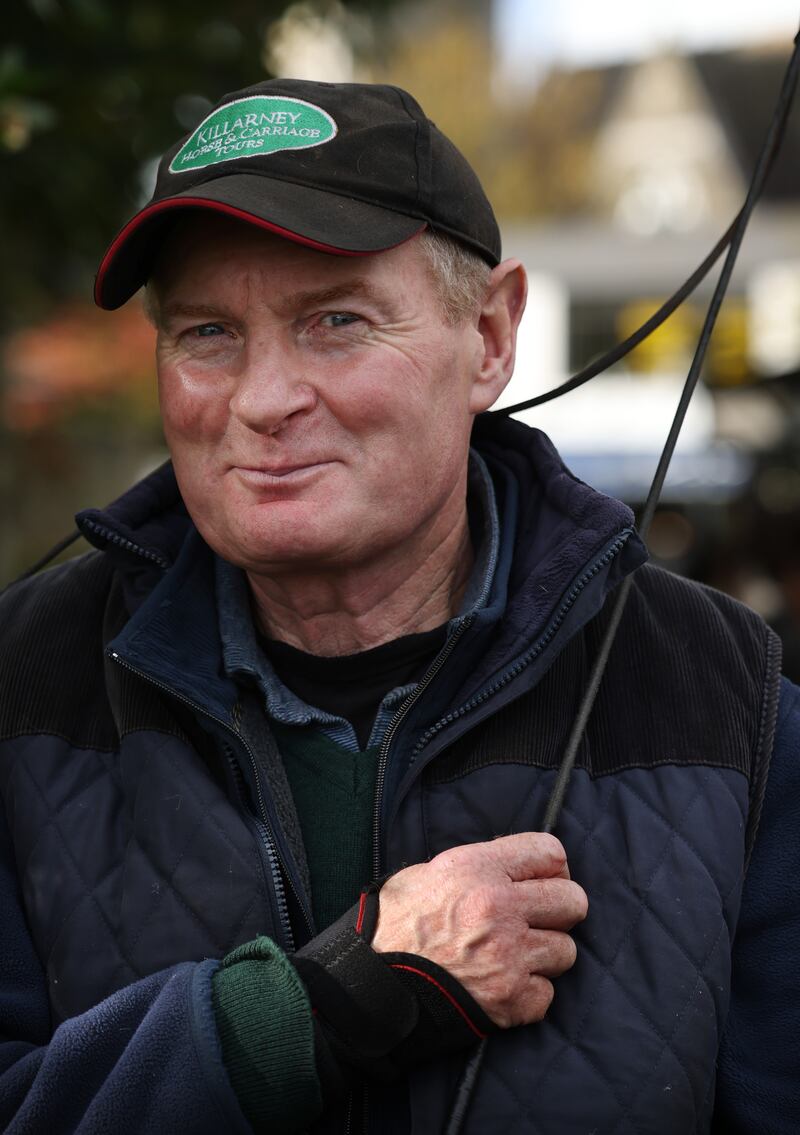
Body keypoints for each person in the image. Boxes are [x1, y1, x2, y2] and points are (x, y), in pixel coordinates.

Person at [0, 78, 797, 1135]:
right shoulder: (23, 685)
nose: (260, 398)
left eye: (334, 321)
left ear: (490, 337)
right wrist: (307, 1012)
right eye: (205, 333)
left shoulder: (720, 701)